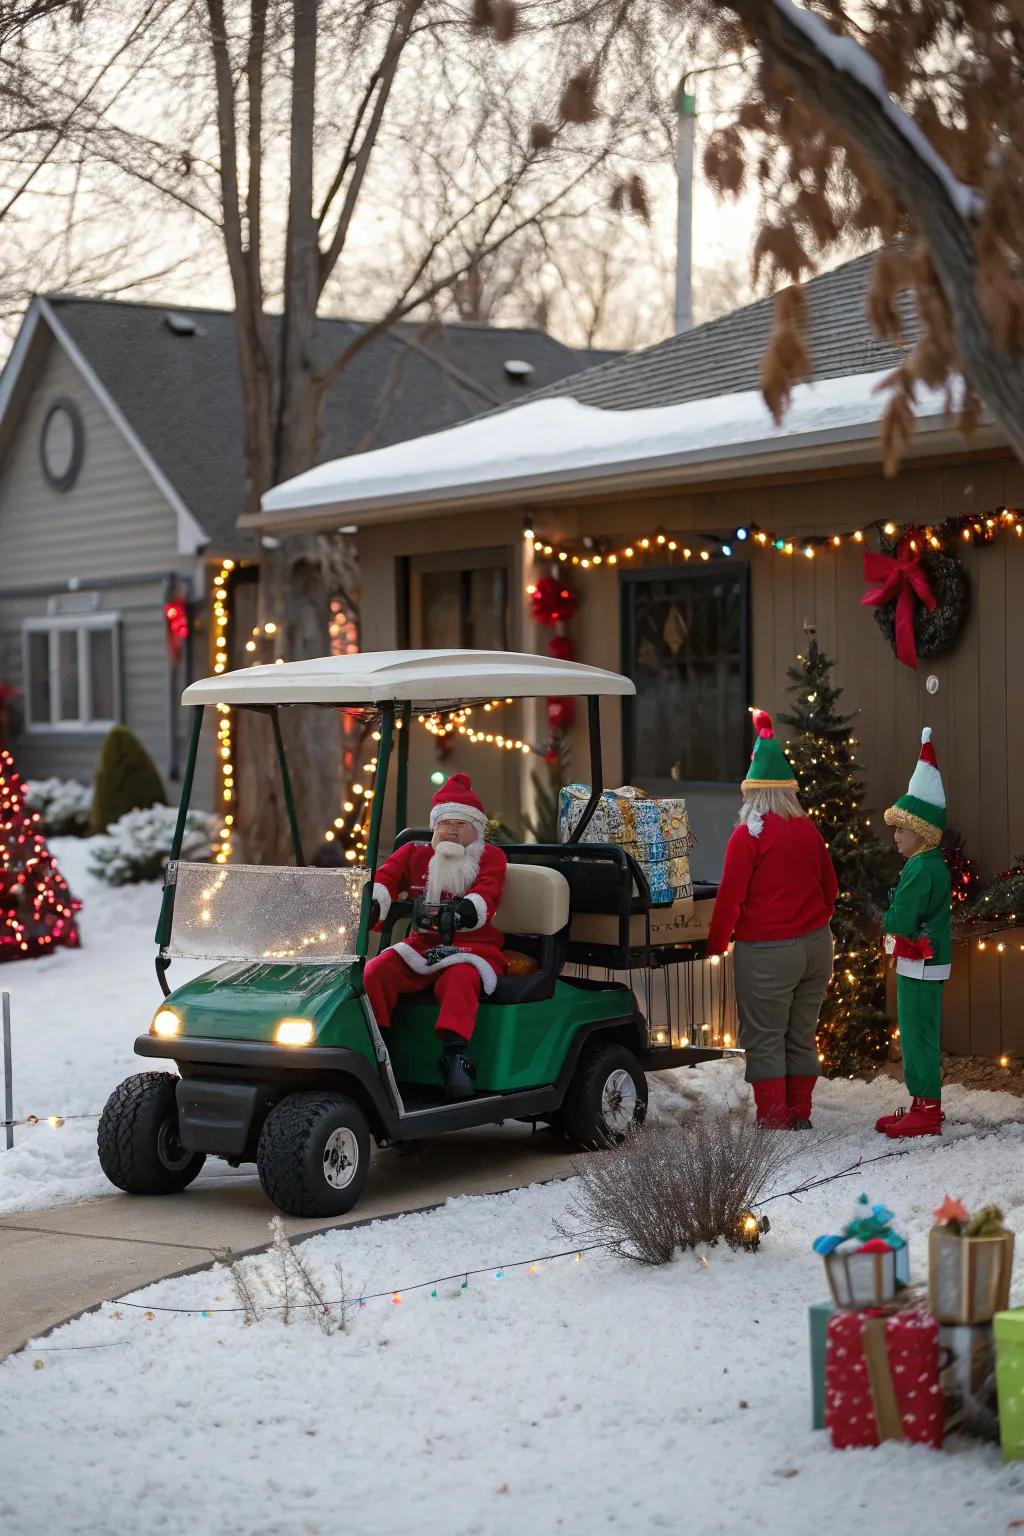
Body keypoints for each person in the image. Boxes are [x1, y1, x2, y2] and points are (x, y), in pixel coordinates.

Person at [706, 710, 838, 1129]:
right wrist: (812, 922)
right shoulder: (808, 830)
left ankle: (775, 1119)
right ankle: (801, 1113)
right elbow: (831, 888)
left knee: (765, 1038)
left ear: (752, 792)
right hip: (817, 947)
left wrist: (714, 943)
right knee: (801, 1032)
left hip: (766, 953)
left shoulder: (748, 836)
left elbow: (730, 899)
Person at [365, 772, 507, 1099]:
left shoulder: (490, 858)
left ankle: (457, 1058)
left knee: (458, 979)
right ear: (435, 827)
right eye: (445, 823)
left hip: (473, 948)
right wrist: (377, 901)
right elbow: (387, 878)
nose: (452, 830)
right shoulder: (415, 854)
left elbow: (488, 893)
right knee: (376, 971)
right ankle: (376, 1050)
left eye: (461, 823)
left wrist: (464, 912)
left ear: (477, 828)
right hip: (423, 946)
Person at [875, 728, 951, 1140]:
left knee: (917, 1032)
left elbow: (900, 920)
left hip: (920, 963)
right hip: (923, 962)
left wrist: (891, 918)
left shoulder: (921, 868)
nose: (896, 837)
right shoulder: (930, 864)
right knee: (919, 1030)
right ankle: (922, 1104)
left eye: (902, 829)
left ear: (921, 830)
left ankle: (926, 1107)